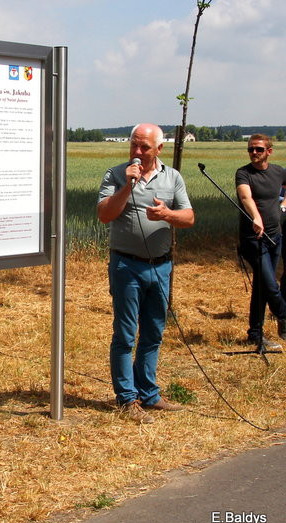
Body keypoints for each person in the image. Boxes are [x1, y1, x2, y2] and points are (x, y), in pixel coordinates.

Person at [97, 123, 195, 424]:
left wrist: (167, 215)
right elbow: (104, 215)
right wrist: (128, 186)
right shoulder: (116, 174)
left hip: (161, 267)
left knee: (153, 331)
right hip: (127, 265)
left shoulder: (172, 177)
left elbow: (188, 217)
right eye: (134, 145)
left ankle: (149, 394)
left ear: (159, 149)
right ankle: (126, 398)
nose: (137, 152)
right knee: (125, 334)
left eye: (144, 147)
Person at [235, 134, 286, 351]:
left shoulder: (278, 171)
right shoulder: (244, 173)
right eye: (250, 149)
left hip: (275, 237)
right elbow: (246, 197)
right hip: (253, 239)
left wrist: (284, 204)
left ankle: (255, 334)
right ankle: (284, 316)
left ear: (269, 151)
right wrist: (256, 217)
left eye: (258, 149)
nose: (253, 153)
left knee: (262, 287)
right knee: (271, 285)